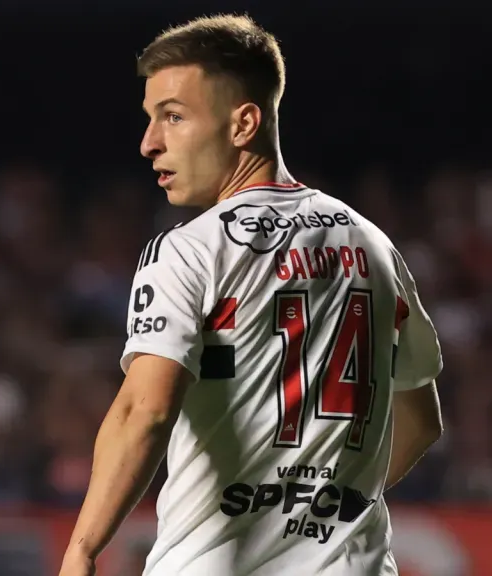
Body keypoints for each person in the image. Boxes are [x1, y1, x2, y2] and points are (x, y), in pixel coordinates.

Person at [60, 14, 444, 576]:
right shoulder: (375, 247)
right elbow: (422, 421)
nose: (149, 143)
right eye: (150, 119)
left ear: (243, 124)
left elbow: (146, 409)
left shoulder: (190, 250)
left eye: (173, 116)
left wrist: (83, 549)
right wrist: (320, 516)